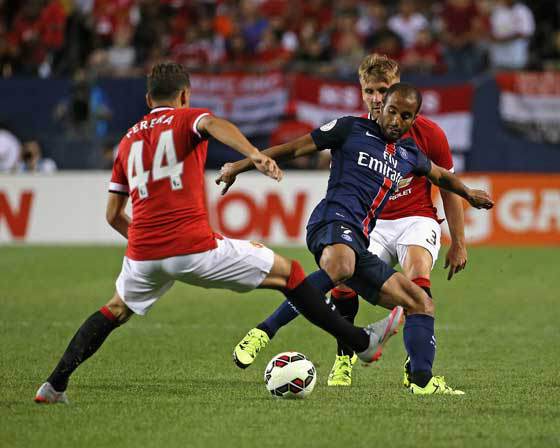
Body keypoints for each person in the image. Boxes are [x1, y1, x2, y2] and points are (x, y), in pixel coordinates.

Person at [34, 62, 395, 404]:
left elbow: (113, 214)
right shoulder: (189, 118)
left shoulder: (126, 142)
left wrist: (151, 246)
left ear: (148, 100)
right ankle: (360, 342)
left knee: (115, 309)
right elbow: (213, 124)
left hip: (142, 254)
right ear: (185, 95)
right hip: (193, 247)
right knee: (291, 273)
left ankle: (54, 384)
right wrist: (253, 153)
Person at [217, 82, 494, 395]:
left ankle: (421, 381)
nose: (396, 120)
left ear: (413, 119)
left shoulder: (409, 154)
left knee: (420, 302)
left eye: (405, 116)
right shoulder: (350, 129)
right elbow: (295, 147)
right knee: (341, 267)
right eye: (392, 111)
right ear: (380, 108)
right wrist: (242, 165)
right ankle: (265, 331)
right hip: (331, 221)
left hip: (358, 240)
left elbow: (441, 175)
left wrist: (469, 193)